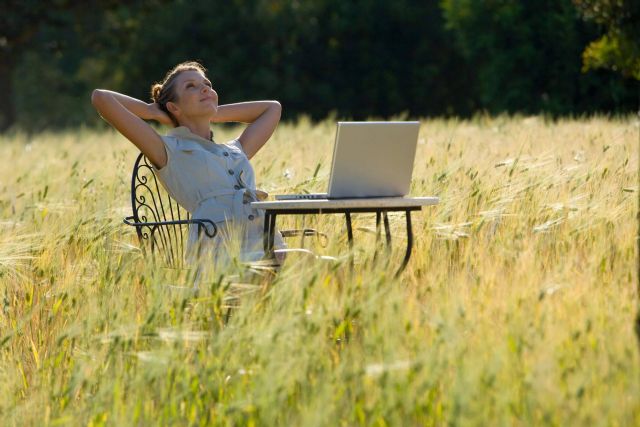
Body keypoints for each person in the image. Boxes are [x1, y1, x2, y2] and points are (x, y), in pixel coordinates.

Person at [91, 61, 286, 265]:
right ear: (173, 107)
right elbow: (101, 98)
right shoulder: (168, 150)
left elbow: (273, 108)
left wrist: (211, 111)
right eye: (190, 86)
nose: (205, 88)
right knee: (284, 264)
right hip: (218, 252)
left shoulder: (235, 150)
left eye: (208, 85)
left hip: (265, 241)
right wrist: (152, 111)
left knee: (310, 261)